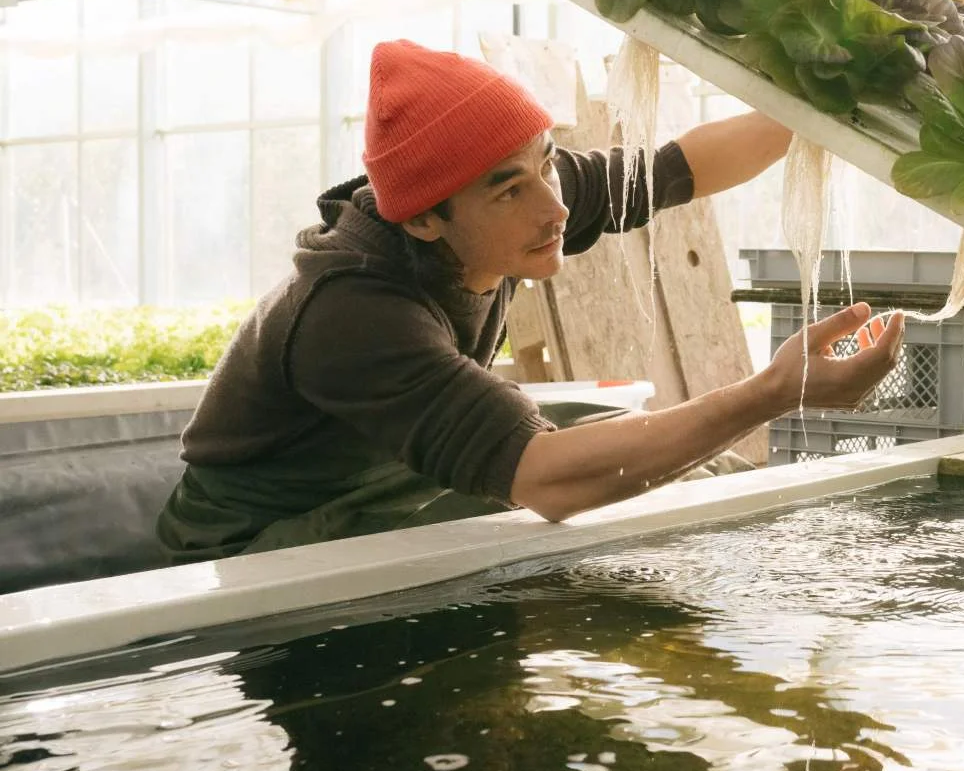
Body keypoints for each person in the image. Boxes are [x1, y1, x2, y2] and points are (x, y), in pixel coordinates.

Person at [155, 39, 902, 560]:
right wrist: (772, 392)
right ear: (422, 218)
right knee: (542, 500)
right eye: (512, 190)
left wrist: (829, 117)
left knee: (647, 445)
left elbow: (676, 170)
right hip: (255, 540)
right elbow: (546, 480)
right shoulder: (352, 314)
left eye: (547, 165)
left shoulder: (512, 192)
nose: (553, 207)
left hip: (389, 470)